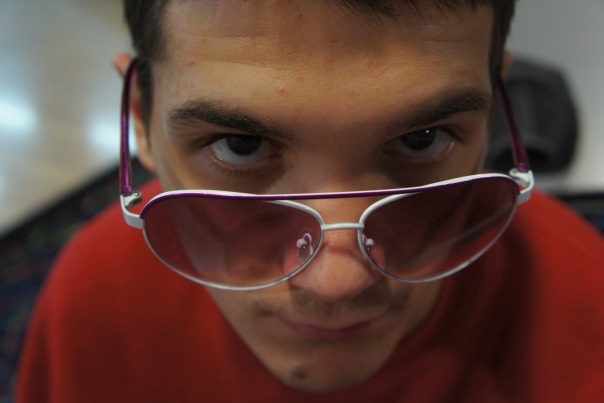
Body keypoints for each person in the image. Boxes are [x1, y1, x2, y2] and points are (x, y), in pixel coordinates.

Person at [16, 0, 604, 401]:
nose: (336, 282)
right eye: (240, 145)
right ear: (141, 122)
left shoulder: (586, 320)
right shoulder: (93, 301)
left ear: (495, 111)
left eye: (422, 139)